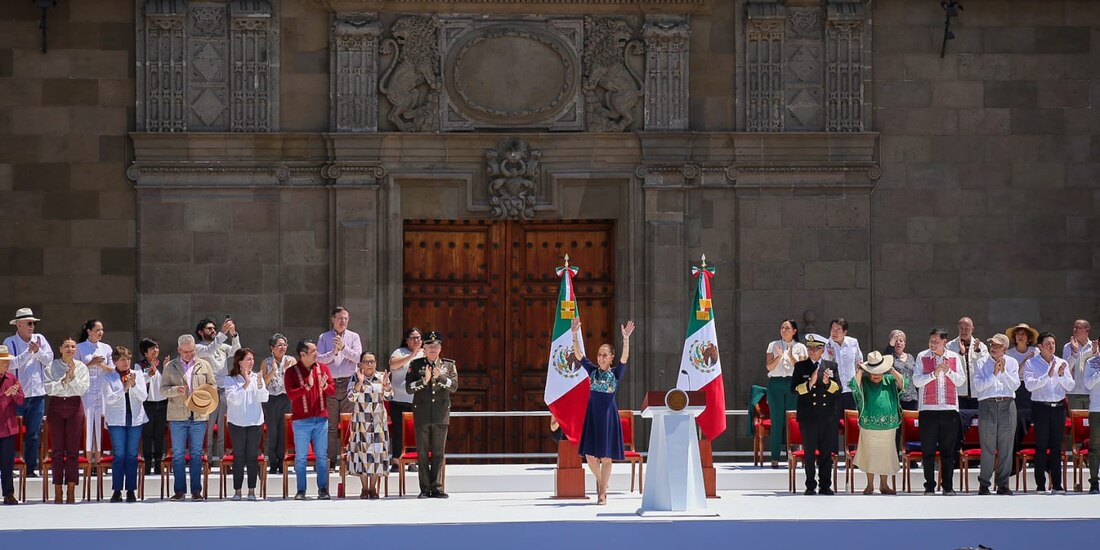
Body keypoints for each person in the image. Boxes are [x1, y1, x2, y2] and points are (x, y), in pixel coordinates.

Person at [162, 334, 217, 501]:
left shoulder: (204, 365)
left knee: (196, 453)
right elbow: (163, 390)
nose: (189, 354)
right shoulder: (170, 367)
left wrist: (204, 394)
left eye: (192, 350)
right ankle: (179, 490)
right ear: (179, 349)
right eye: (186, 351)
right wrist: (175, 390)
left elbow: (213, 385)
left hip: (199, 415)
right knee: (178, 454)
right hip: (178, 415)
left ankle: (196, 490)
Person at [406, 331, 460, 500]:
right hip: (422, 413)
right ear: (424, 348)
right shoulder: (415, 365)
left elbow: (454, 386)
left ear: (440, 348)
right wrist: (425, 380)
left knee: (438, 452)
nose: (433, 349)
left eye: (436, 347)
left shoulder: (448, 365)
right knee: (422, 453)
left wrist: (441, 377)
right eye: (430, 346)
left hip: (440, 414)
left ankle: (437, 487)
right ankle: (424, 488)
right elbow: (409, 388)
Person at [913, 328, 965, 495]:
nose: (933, 344)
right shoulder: (923, 356)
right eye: (931, 341)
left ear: (944, 341)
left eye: (936, 341)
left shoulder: (954, 357)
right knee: (928, 451)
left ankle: (948, 486)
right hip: (928, 410)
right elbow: (916, 381)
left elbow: (961, 381)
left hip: (949, 410)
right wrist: (933, 375)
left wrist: (948, 371)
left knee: (948, 451)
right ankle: (929, 485)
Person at [1022, 331, 1074, 493]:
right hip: (1041, 407)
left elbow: (1070, 386)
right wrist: (1048, 375)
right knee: (1041, 446)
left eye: (1053, 343)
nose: (1051, 346)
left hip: (1058, 407)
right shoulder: (1032, 364)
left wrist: (1060, 375)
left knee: (1056, 447)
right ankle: (1040, 484)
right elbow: (1030, 386)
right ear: (1040, 346)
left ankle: (1057, 484)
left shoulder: (1061, 362)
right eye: (1048, 344)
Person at [284, 339, 335, 500]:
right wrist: (306, 387)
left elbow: (333, 390)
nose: (317, 354)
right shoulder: (291, 372)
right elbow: (291, 394)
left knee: (321, 456)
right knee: (301, 457)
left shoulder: (324, 368)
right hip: (301, 421)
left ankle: (323, 489)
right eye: (313, 352)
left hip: (321, 419)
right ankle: (301, 490)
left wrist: (325, 386)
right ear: (302, 354)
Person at [4, 308, 52, 478]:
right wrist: (29, 352)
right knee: (12, 433)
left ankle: (31, 468)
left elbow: (49, 360)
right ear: (19, 324)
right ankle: (10, 466)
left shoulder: (40, 339)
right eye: (29, 323)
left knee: (33, 433)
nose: (32, 326)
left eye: (33, 323)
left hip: (37, 393)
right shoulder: (10, 342)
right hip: (17, 394)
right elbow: (10, 364)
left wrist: (38, 351)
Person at [791, 334, 840, 495]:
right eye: (810, 348)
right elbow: (793, 389)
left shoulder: (831, 366)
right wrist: (809, 384)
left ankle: (825, 485)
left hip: (827, 416)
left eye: (816, 349)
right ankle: (810, 485)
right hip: (808, 416)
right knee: (810, 453)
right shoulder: (800, 366)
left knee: (826, 452)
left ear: (822, 350)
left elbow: (838, 389)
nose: (812, 352)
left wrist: (828, 384)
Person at [972, 333, 1020, 495]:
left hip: (1007, 404)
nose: (993, 348)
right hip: (987, 404)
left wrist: (1003, 372)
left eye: (997, 345)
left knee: (1006, 446)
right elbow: (978, 386)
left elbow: (1015, 385)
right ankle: (984, 483)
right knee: (988, 446)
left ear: (1005, 348)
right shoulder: (981, 362)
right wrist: (993, 374)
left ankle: (1003, 484)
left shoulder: (1012, 362)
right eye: (992, 344)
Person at [850, 351, 904, 495]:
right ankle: (869, 485)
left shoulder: (889, 380)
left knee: (885, 455)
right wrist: (861, 370)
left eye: (879, 372)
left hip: (889, 425)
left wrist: (891, 369)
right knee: (870, 455)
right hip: (869, 425)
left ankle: (884, 485)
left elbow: (903, 383)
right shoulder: (865, 382)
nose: (876, 375)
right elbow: (854, 387)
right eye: (873, 372)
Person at [43, 338, 90, 503]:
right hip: (56, 405)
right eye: (67, 347)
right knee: (56, 450)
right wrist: (65, 380)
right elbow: (49, 389)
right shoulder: (51, 366)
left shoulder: (82, 367)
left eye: (72, 347)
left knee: (72, 450)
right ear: (60, 349)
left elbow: (82, 389)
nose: (70, 349)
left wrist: (72, 377)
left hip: (74, 405)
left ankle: (71, 488)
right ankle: (57, 490)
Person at [101, 346, 148, 503]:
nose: (126, 362)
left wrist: (133, 386)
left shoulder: (138, 375)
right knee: (119, 454)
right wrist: (124, 389)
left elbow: (144, 396)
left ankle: (131, 490)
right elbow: (109, 399)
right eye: (122, 360)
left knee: (132, 455)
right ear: (115, 361)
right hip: (116, 420)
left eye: (128, 359)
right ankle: (116, 490)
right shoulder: (108, 377)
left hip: (135, 419)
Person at [317, 307, 362, 466]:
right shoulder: (324, 337)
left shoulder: (353, 337)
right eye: (340, 318)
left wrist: (344, 348)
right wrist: (334, 352)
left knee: (348, 423)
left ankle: (348, 460)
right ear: (333, 319)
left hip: (349, 382)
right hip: (331, 384)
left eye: (346, 319)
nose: (343, 321)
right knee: (330, 426)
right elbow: (320, 359)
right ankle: (330, 461)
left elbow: (358, 357)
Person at [194, 317, 240, 466]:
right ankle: (206, 461)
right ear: (201, 332)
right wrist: (223, 332)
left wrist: (233, 335)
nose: (213, 331)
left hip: (223, 389)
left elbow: (237, 352)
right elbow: (210, 349)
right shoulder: (198, 347)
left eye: (214, 328)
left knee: (222, 427)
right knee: (208, 427)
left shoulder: (221, 345)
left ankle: (221, 461)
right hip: (208, 391)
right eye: (209, 328)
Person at [347, 351, 392, 499]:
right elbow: (351, 397)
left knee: (377, 455)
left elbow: (390, 396)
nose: (369, 364)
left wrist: (386, 385)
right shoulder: (355, 377)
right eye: (366, 361)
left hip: (378, 423)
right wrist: (359, 383)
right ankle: (364, 488)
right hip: (361, 422)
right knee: (362, 455)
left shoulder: (380, 377)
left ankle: (373, 488)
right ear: (360, 364)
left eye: (372, 361)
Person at [225, 348, 268, 501]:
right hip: (237, 422)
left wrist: (260, 385)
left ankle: (251, 490)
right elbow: (233, 399)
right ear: (240, 361)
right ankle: (237, 490)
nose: (251, 362)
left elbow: (264, 398)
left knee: (252, 456)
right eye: (248, 359)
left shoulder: (257, 377)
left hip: (255, 422)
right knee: (238, 456)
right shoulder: (230, 379)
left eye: (252, 359)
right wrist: (245, 385)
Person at [764, 319, 807, 469]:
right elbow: (769, 367)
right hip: (776, 383)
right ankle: (775, 457)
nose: (784, 330)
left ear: (794, 331)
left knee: (794, 419)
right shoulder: (773, 345)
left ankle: (796, 455)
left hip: (793, 384)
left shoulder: (800, 347)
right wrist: (779, 356)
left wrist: (791, 357)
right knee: (777, 420)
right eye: (782, 327)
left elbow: (803, 369)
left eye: (787, 328)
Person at [76, 319, 113, 462]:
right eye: (97, 330)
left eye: (102, 330)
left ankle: (99, 459)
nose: (100, 333)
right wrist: (91, 363)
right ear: (89, 331)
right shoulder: (79, 348)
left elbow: (112, 369)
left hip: (102, 391)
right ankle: (88, 459)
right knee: (87, 423)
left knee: (101, 423)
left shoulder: (106, 348)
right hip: (86, 391)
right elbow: (75, 369)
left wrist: (101, 365)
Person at [388, 327, 423, 472]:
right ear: (407, 339)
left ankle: (412, 460)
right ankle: (396, 460)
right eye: (413, 337)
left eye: (418, 338)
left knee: (414, 430)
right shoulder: (399, 352)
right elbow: (393, 365)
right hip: (398, 399)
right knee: (398, 430)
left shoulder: (425, 353)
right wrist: (411, 355)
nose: (416, 340)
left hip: (417, 400)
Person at [260, 333, 294, 474]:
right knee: (273, 431)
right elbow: (262, 384)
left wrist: (286, 371)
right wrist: (273, 370)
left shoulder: (291, 360)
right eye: (279, 345)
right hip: (271, 399)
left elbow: (294, 382)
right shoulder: (266, 362)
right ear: (272, 348)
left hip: (286, 398)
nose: (282, 347)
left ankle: (282, 461)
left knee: (284, 431)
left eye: (284, 345)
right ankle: (273, 462)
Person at [136, 338, 168, 474]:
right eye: (152, 348)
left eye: (156, 348)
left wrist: (166, 369)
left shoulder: (163, 364)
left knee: (159, 434)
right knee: (147, 434)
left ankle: (159, 463)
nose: (155, 350)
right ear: (145, 352)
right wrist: (149, 374)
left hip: (162, 403)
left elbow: (167, 382)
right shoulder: (139, 365)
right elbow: (139, 382)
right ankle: (147, 464)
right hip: (147, 404)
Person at [0, 345, 25, 505]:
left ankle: (8, 493)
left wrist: (15, 394)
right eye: (4, 362)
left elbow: (21, 400)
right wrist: (5, 395)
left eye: (8, 362)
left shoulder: (12, 378)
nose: (7, 364)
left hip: (7, 427)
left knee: (7, 462)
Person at [947, 317, 987, 410]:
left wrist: (978, 351)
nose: (964, 331)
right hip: (958, 394)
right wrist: (961, 353)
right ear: (958, 328)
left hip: (976, 394)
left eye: (967, 329)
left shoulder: (981, 346)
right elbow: (950, 365)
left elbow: (985, 365)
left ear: (972, 329)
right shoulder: (950, 346)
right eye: (961, 328)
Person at [823, 318, 863, 412]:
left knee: (851, 421)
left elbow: (859, 363)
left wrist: (857, 385)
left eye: (838, 330)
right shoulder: (825, 345)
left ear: (845, 332)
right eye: (832, 329)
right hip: (833, 390)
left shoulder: (853, 343)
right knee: (834, 422)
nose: (834, 332)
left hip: (851, 390)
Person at [884, 330, 918, 411]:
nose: (898, 343)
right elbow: (885, 359)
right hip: (897, 397)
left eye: (901, 341)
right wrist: (891, 344)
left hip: (912, 397)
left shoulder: (910, 357)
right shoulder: (890, 357)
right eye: (896, 341)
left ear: (904, 343)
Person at [1063, 320, 1093, 410]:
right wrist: (1075, 352)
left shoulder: (1094, 347)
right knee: (1076, 423)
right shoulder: (1068, 347)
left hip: (1091, 392)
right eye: (1074, 327)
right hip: (1074, 392)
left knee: (1092, 422)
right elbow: (1065, 369)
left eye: (1078, 328)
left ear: (1087, 330)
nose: (1075, 330)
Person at [1082, 344, 1100, 493]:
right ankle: (1094, 481)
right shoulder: (1091, 363)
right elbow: (1087, 384)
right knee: (1094, 446)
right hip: (1096, 409)